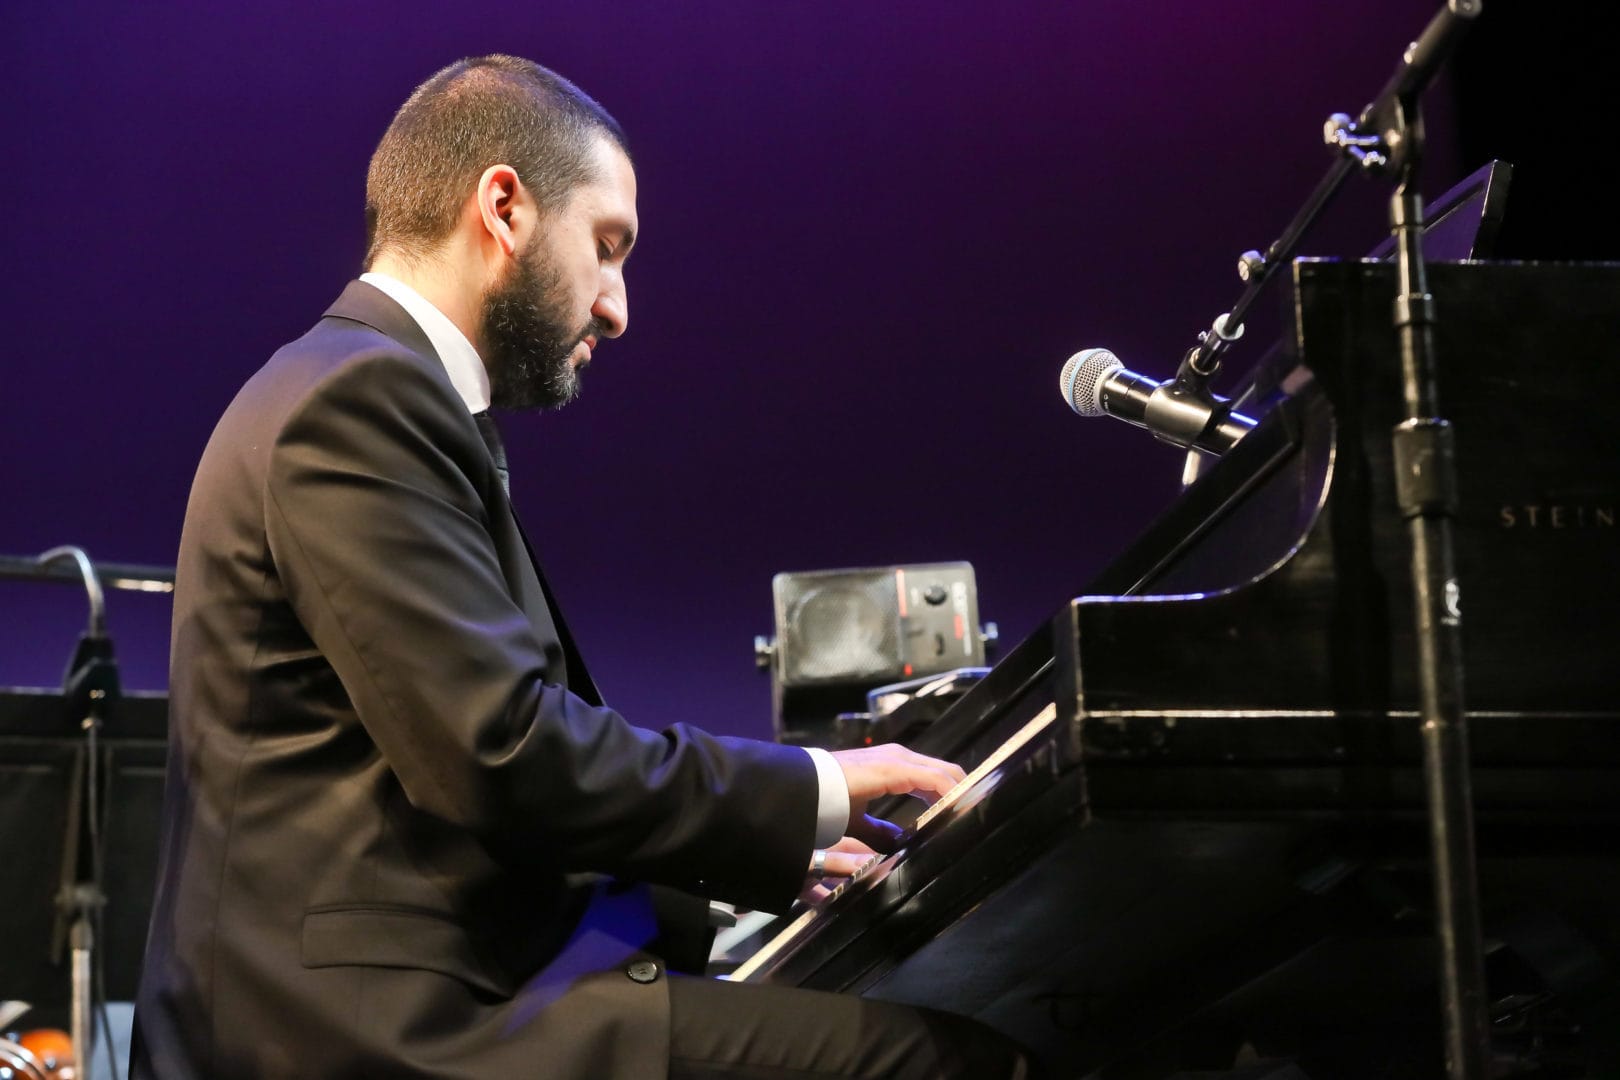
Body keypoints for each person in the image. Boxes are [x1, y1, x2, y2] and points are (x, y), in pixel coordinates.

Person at [130, 55, 1037, 1079]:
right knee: (948, 1064)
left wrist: (761, 858)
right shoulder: (358, 401)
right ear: (505, 207)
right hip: (361, 1038)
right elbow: (503, 753)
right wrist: (815, 788)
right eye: (606, 247)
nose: (617, 308)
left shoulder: (365, 391)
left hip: (401, 1008)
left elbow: (470, 783)